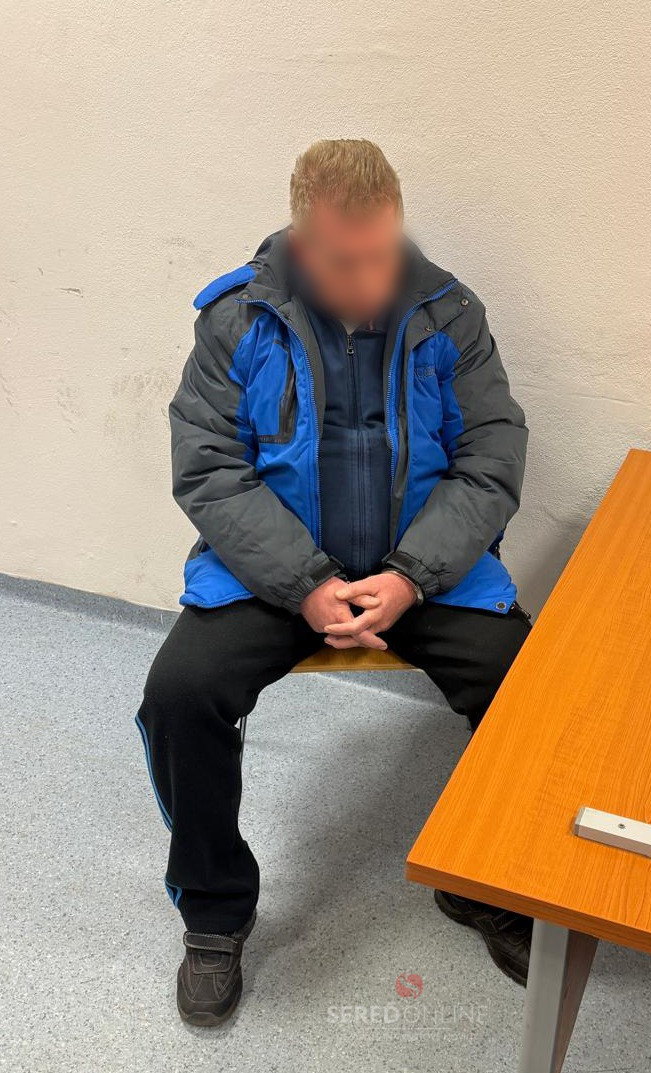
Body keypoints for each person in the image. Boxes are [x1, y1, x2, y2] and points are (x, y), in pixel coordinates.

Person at [136, 138, 531, 1026]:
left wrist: (410, 576)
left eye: (382, 253)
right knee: (180, 695)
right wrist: (306, 583)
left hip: (422, 571)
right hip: (274, 575)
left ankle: (483, 881)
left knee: (530, 685)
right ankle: (215, 913)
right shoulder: (236, 320)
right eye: (347, 262)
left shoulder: (450, 313)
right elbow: (209, 471)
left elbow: (491, 458)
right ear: (301, 243)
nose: (371, 279)